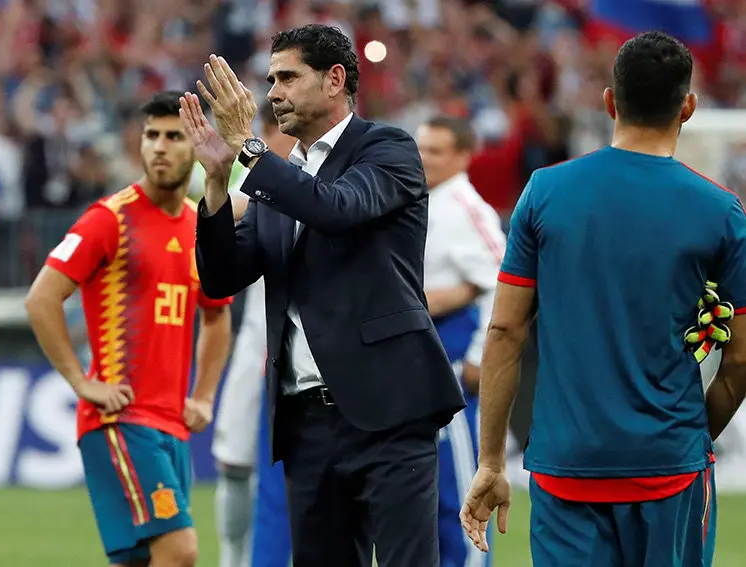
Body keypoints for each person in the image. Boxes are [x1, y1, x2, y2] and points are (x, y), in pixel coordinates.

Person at [181, 23, 465, 567]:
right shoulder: (282, 177)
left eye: (288, 77)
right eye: (270, 80)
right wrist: (218, 183)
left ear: (335, 79)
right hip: (307, 423)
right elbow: (221, 277)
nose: (272, 93)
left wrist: (249, 149)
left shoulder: (388, 148)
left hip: (390, 413)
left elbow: (336, 209)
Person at [460, 31, 746, 566]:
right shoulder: (722, 211)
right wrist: (691, 436)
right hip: (670, 464)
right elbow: (742, 356)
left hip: (567, 463)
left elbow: (504, 331)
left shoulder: (545, 191)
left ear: (610, 101)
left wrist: (492, 460)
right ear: (688, 107)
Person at [24, 91, 233, 567]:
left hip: (171, 426)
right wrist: (81, 381)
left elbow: (217, 314)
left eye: (174, 137)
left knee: (142, 562)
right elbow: (41, 298)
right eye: (151, 135)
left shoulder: (201, 227)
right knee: (180, 552)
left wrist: (203, 396)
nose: (159, 146)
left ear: (198, 145)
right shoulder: (110, 219)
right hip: (121, 420)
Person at [416, 116, 504, 567]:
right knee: (422, 502)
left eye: (437, 150)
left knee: (460, 496)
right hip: (418, 373)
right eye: (422, 147)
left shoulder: (467, 207)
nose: (425, 157)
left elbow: (505, 282)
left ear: (464, 155)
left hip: (452, 371)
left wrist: (478, 358)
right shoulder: (425, 200)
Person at [211, 100, 296, 567]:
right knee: (235, 459)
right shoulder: (252, 171)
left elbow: (244, 207)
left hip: (304, 342)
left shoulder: (315, 170)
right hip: (255, 339)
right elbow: (230, 211)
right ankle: (233, 559)